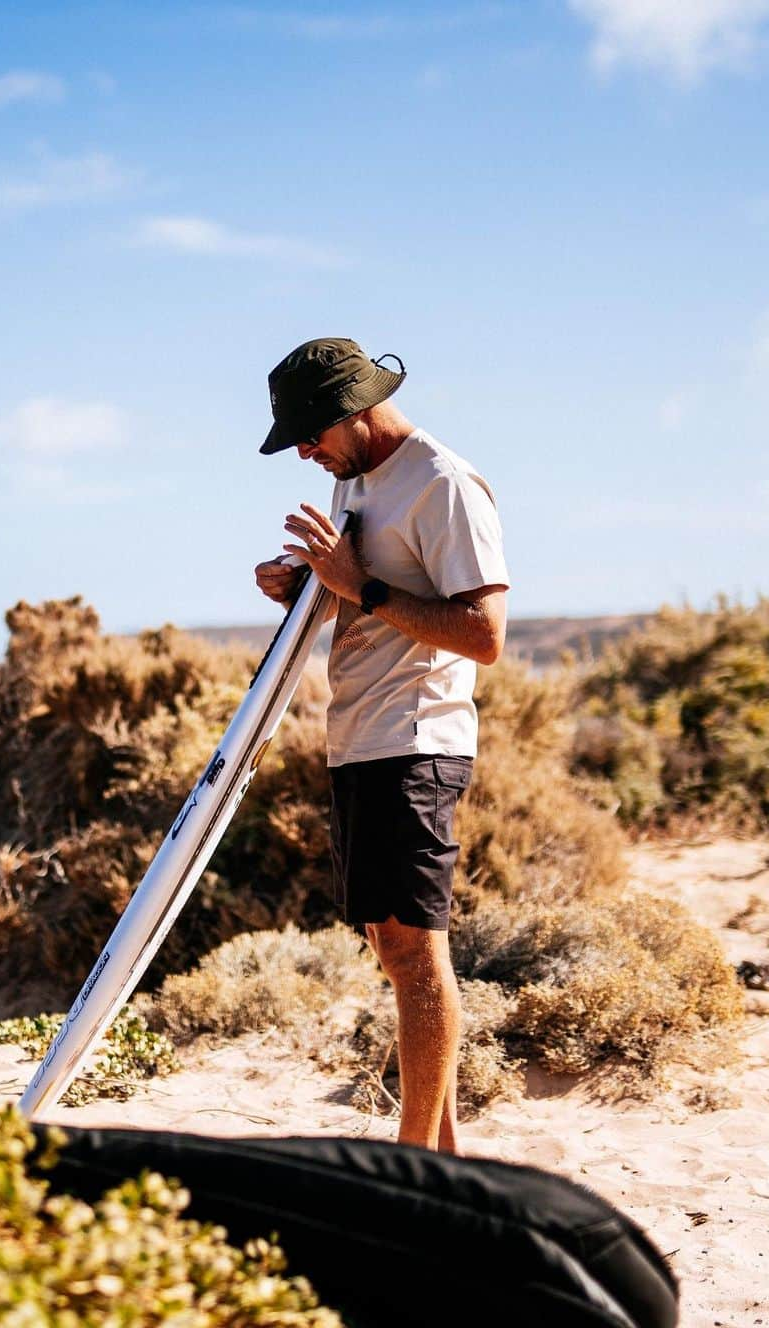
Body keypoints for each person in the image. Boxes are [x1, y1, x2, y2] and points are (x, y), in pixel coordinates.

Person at [254, 337, 509, 1154]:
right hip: (360, 737)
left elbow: (484, 633)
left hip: (417, 737)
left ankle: (413, 1164)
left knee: (413, 946)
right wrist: (308, 592)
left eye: (310, 433)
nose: (303, 451)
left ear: (355, 412)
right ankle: (442, 1159)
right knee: (392, 943)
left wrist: (355, 583)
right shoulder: (355, 480)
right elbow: (360, 597)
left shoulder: (443, 484)